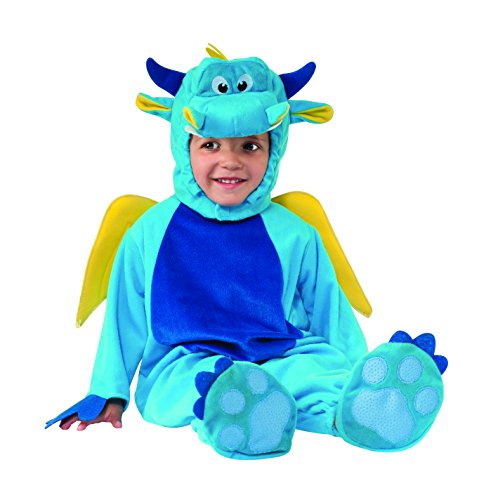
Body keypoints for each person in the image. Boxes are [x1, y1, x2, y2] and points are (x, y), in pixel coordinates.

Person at [47, 46, 447, 459]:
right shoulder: (149, 231)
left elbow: (330, 309)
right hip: (186, 359)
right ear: (184, 145)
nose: (230, 162)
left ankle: (358, 412)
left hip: (281, 350)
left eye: (250, 147)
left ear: (274, 148)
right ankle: (234, 413)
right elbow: (125, 315)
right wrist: (108, 391)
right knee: (198, 388)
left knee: (315, 370)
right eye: (210, 145)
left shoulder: (296, 232)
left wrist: (357, 374)